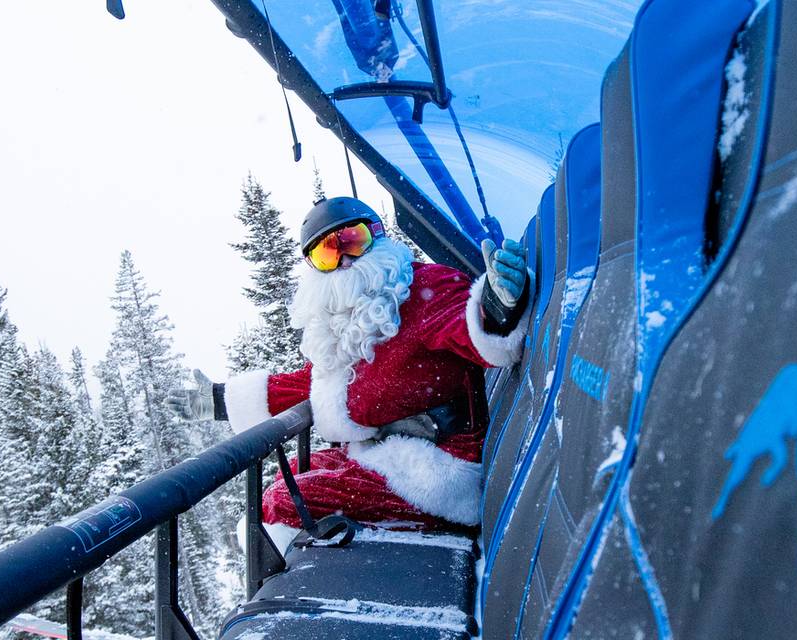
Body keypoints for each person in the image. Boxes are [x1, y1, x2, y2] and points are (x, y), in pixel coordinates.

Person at [168, 197, 532, 550]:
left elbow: (468, 328)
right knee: (292, 471)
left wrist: (497, 306)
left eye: (352, 241)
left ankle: (302, 588)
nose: (343, 260)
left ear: (377, 235)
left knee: (284, 500)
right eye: (326, 253)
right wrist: (217, 399)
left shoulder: (425, 288)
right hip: (383, 453)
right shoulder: (353, 316)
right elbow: (315, 383)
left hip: (436, 470)